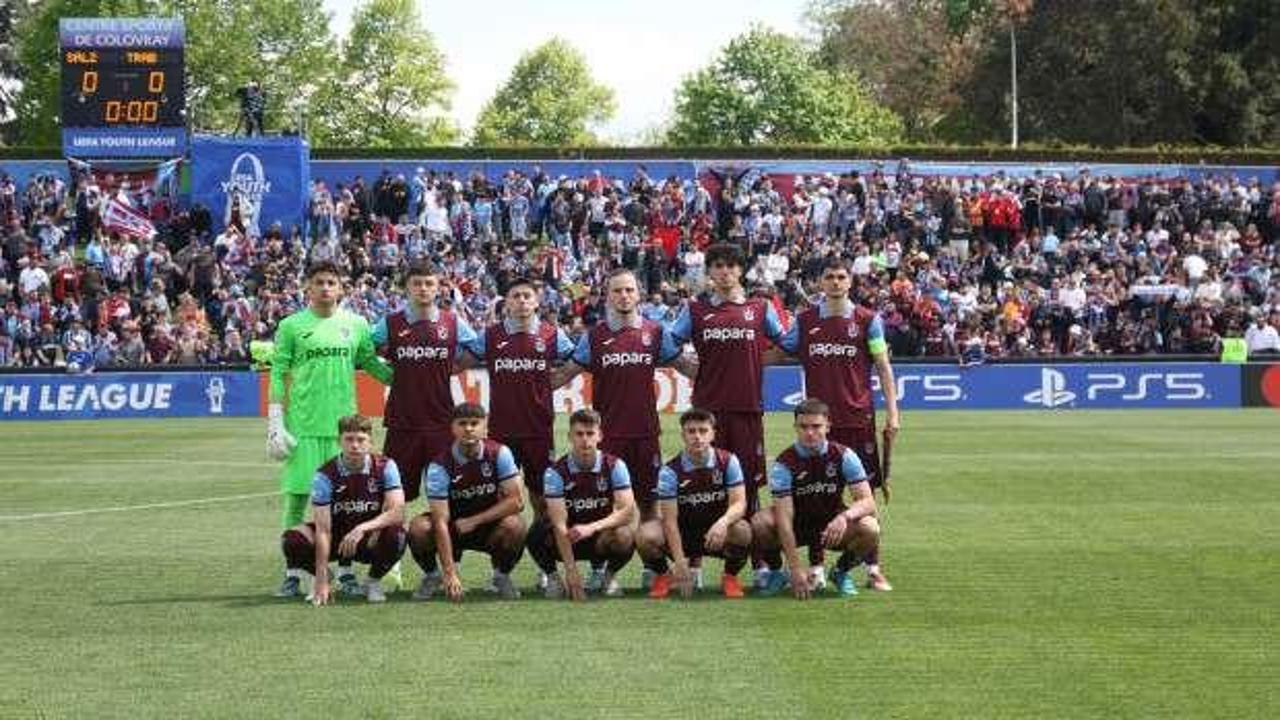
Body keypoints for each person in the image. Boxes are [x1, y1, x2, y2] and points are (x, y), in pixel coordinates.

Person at [552, 267, 689, 589]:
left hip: (644, 433)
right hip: (607, 436)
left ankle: (652, 567)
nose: (624, 296)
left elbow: (685, 366)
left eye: (629, 290)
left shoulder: (655, 332)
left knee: (648, 504)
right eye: (617, 291)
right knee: (605, 503)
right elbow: (564, 374)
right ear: (607, 296)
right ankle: (600, 567)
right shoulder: (595, 336)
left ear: (638, 293)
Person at [268, 261, 393, 597]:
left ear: (341, 288)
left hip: (345, 429)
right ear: (307, 288)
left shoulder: (355, 324)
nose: (325, 288)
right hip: (304, 426)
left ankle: (346, 571)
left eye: (331, 282)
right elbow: (278, 371)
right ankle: (292, 572)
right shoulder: (292, 325)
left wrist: (411, 380)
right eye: (319, 282)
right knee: (296, 499)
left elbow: (370, 363)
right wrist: (276, 418)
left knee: (348, 503)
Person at [776, 255, 897, 592]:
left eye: (841, 277)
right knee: (815, 496)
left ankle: (873, 568)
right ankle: (817, 568)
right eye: (829, 277)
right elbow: (779, 350)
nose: (835, 282)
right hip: (818, 424)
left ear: (850, 282)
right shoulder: (805, 321)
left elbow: (883, 366)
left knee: (865, 494)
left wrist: (894, 413)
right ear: (820, 282)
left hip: (858, 419)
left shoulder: (867, 320)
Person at [668, 243, 784, 589]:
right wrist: (688, 367)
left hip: (747, 411)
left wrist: (754, 363)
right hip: (707, 415)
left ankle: (761, 564)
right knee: (702, 485)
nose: (724, 272)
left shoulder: (760, 309)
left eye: (731, 266)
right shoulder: (696, 310)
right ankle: (696, 563)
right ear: (709, 272)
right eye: (717, 266)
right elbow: (667, 345)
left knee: (747, 488)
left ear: (741, 270)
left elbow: (786, 345)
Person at [468, 277, 574, 588]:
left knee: (543, 500)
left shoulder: (552, 335)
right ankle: (500, 571)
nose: (523, 301)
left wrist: (550, 382)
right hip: (501, 432)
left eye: (528, 296)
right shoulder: (490, 336)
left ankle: (545, 565)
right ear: (507, 302)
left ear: (537, 301)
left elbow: (578, 360)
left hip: (539, 431)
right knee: (503, 500)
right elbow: (462, 359)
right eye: (516, 296)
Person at [372, 261, 482, 504]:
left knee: (448, 495)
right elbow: (365, 349)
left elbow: (477, 347)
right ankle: (393, 541)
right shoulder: (389, 323)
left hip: (441, 421)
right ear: (407, 288)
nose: (423, 288)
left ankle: (447, 540)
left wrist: (456, 367)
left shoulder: (452, 323)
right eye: (417, 283)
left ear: (437, 288)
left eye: (428, 283)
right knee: (393, 495)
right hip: (403, 422)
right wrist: (386, 372)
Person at [752, 399, 883, 598]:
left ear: (828, 426)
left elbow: (867, 501)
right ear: (796, 427)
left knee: (871, 528)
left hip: (831, 525)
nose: (810, 432)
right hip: (797, 524)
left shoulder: (844, 455)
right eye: (804, 427)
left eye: (816, 426)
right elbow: (784, 519)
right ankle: (778, 572)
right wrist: (796, 568)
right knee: (759, 523)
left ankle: (841, 572)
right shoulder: (784, 464)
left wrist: (844, 517)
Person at [278, 415, 406, 604]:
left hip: (368, 539)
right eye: (349, 439)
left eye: (360, 440)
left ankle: (372, 581)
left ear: (370, 441)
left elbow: (398, 512)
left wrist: (363, 528)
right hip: (336, 538)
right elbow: (323, 529)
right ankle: (326, 578)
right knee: (292, 540)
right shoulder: (324, 475)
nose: (355, 445)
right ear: (340, 441)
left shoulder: (386, 466)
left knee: (398, 535)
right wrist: (321, 579)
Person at [406, 403, 527, 601]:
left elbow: (517, 502)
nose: (469, 428)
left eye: (474, 423)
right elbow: (440, 521)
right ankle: (433, 575)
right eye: (462, 423)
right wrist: (450, 573)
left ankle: (501, 576)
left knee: (515, 526)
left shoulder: (499, 453)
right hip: (453, 528)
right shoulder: (439, 466)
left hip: (489, 526)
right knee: (419, 528)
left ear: (484, 426)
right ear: (453, 428)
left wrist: (475, 520)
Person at [636, 409, 752, 599]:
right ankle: (665, 575)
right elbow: (670, 521)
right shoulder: (670, 471)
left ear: (713, 433)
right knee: (645, 535)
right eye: (691, 431)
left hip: (715, 533)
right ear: (683, 435)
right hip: (683, 534)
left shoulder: (728, 461)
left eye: (703, 431)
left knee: (743, 530)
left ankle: (730, 576)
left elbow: (739, 504)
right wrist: (680, 562)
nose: (697, 437)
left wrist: (723, 523)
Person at [527, 409, 636, 600]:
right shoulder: (555, 473)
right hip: (568, 537)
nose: (585, 440)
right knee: (536, 532)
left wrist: (591, 527)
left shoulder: (615, 466)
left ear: (599, 436)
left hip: (598, 536)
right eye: (579, 434)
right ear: (570, 437)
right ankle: (553, 577)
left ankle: (607, 577)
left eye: (590, 433)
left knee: (624, 535)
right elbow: (559, 523)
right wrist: (571, 571)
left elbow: (627, 512)